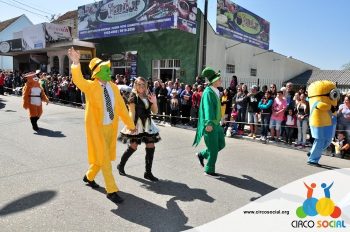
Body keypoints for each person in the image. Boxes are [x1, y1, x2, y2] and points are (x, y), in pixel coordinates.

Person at [67, 47, 136, 204]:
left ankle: (89, 176)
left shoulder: (113, 87)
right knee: (104, 159)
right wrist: (76, 63)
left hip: (110, 128)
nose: (108, 71)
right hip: (96, 129)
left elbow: (121, 108)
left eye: (108, 68)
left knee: (100, 158)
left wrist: (130, 125)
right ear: (97, 72)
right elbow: (78, 81)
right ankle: (111, 190)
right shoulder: (91, 86)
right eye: (105, 69)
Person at [118, 77, 161, 181]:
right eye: (139, 84)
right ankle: (121, 165)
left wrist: (154, 102)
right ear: (135, 85)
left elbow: (155, 112)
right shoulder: (133, 96)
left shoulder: (148, 95)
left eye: (143, 84)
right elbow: (131, 112)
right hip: (137, 125)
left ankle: (148, 172)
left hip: (148, 125)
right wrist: (131, 126)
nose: (141, 86)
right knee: (133, 146)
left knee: (151, 146)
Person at [193, 67, 225, 178]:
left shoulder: (215, 91)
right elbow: (207, 109)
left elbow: (216, 108)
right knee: (213, 150)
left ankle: (202, 154)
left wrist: (221, 119)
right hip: (210, 124)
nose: (221, 80)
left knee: (221, 144)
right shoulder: (208, 92)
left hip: (217, 124)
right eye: (219, 79)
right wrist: (209, 123)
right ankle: (209, 170)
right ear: (214, 81)